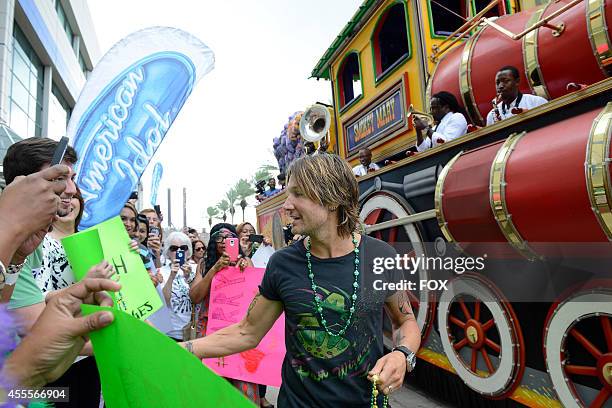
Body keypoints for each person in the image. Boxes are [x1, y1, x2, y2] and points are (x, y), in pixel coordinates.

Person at [183, 154, 420, 407]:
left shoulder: (380, 256)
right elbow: (247, 332)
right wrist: (186, 349)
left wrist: (402, 355)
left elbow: (405, 320)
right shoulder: (282, 264)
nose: (286, 206)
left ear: (332, 199)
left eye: (298, 194)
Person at [2, 138, 78, 335]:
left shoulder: (31, 239)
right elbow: (39, 330)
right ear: (23, 183)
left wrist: (17, 259)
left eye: (72, 179)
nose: (71, 190)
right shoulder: (11, 231)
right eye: (60, 178)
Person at [189, 223, 259, 404]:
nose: (224, 242)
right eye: (219, 238)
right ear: (212, 242)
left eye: (229, 238)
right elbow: (195, 296)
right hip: (210, 331)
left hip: (239, 331)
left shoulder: (246, 262)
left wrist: (246, 268)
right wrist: (215, 269)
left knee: (243, 385)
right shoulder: (204, 264)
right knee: (211, 385)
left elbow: (255, 295)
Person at [160, 232, 195, 341]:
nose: (179, 251)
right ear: (167, 252)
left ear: (188, 250)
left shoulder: (196, 269)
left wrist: (189, 277)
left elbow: (198, 298)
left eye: (183, 248)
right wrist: (171, 276)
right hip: (170, 333)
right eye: (174, 248)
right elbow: (164, 301)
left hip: (192, 331)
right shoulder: (161, 272)